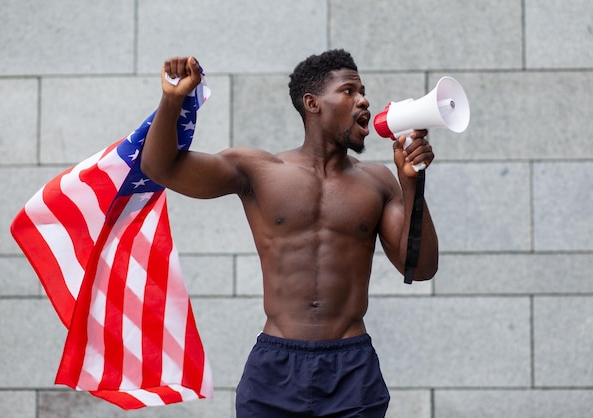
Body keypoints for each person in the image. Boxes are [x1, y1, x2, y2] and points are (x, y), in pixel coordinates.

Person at [141, 49, 438, 417]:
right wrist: (172, 100)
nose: (364, 99)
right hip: (275, 368)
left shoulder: (378, 181)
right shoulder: (258, 170)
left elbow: (420, 267)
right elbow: (159, 166)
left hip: (351, 368)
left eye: (363, 90)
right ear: (312, 104)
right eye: (349, 91)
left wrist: (412, 185)